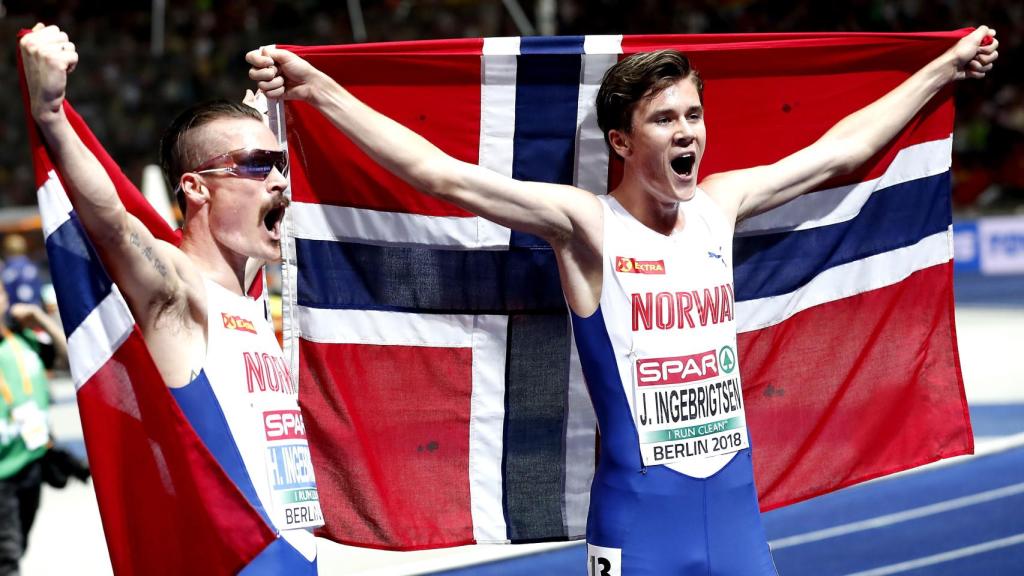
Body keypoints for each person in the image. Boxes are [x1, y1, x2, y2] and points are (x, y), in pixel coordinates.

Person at [248, 26, 997, 574]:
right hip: (640, 524)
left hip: (736, 510)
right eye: (665, 119)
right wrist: (317, 89)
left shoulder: (721, 205)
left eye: (693, 116)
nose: (687, 133)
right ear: (621, 142)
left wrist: (943, 70)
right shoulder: (586, 227)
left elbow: (841, 151)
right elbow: (443, 176)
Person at [20, 24, 322, 571]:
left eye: (280, 165)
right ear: (196, 187)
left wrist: (266, 117)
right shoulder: (180, 295)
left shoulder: (251, 288)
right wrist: (51, 115)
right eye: (258, 165)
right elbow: (114, 226)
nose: (280, 180)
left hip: (298, 558)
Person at [0, 280, 67, 576]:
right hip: (1, 475)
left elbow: (71, 359)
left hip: (31, 463)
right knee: (7, 557)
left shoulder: (25, 340)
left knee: (19, 545)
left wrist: (41, 319)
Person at [0, 236, 43, 309]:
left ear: (6, 251)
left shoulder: (6, 270)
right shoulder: (33, 267)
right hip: (35, 308)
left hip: (14, 310)